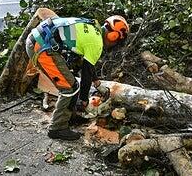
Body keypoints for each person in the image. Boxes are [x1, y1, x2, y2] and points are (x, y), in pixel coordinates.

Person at [25, 8, 129, 141]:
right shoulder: (96, 43)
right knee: (70, 88)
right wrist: (84, 100)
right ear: (113, 36)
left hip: (39, 40)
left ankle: (68, 118)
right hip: (41, 48)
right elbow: (86, 74)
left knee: (71, 83)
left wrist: (97, 83)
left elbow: (86, 65)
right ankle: (57, 128)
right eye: (116, 42)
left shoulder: (93, 27)